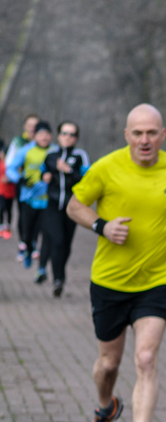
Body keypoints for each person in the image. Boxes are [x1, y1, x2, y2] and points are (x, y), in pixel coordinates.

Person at [67, 103, 166, 422]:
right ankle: (106, 408)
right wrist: (102, 227)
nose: (144, 140)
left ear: (163, 135)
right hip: (109, 282)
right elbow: (75, 206)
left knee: (145, 359)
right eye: (137, 133)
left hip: (155, 282)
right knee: (108, 365)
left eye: (151, 133)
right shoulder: (106, 167)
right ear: (127, 136)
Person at [38, 121, 90, 294]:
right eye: (64, 133)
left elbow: (87, 179)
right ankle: (58, 280)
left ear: (76, 138)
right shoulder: (51, 155)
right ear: (58, 135)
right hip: (52, 204)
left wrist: (68, 171)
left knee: (66, 244)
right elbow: (42, 171)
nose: (68, 137)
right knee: (57, 241)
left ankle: (60, 276)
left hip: (72, 206)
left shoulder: (80, 155)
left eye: (72, 134)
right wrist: (44, 176)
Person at [6, 121, 54, 269]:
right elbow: (10, 169)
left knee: (45, 232)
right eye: (41, 134)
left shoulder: (55, 151)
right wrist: (20, 179)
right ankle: (28, 248)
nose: (44, 137)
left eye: (47, 134)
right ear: (35, 136)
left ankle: (41, 266)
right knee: (27, 232)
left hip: (48, 199)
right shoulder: (26, 150)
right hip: (29, 198)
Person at [7, 114, 38, 257]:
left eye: (35, 125)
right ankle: (23, 241)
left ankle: (34, 242)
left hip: (40, 187)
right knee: (23, 214)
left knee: (39, 215)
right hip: (23, 185)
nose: (32, 128)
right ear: (25, 126)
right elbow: (9, 164)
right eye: (30, 125)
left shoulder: (45, 143)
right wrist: (19, 178)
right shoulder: (18, 142)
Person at [0, 138, 13, 239]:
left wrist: (10, 178)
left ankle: (7, 226)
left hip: (10, 190)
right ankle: (1, 227)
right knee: (1, 208)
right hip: (1, 190)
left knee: (9, 209)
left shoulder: (11, 164)